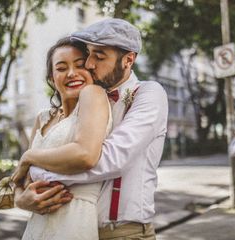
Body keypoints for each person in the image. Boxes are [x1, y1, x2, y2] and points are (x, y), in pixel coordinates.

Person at [13, 18, 168, 239]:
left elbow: (107, 159)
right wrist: (21, 198)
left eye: (99, 56)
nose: (89, 64)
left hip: (124, 232)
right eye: (90, 54)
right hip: (74, 227)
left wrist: (35, 168)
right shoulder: (84, 101)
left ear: (128, 60)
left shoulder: (148, 94)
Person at [13, 37, 112, 239]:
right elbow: (20, 180)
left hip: (74, 221)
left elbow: (85, 155)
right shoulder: (42, 118)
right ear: (51, 78)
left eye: (80, 65)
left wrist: (29, 157)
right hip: (35, 227)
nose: (72, 73)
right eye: (61, 68)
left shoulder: (94, 95)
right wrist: (21, 200)